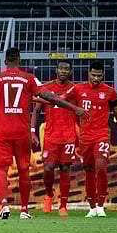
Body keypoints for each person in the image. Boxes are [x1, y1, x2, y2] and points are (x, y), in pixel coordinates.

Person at [0, 47, 87, 220]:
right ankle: (23, 210)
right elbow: (51, 97)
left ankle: (4, 205)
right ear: (19, 61)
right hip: (22, 131)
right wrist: (75, 108)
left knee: (0, 169)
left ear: (5, 62)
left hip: (2, 131)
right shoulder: (29, 79)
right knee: (23, 170)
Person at [63, 61, 117, 218]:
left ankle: (101, 205)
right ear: (88, 74)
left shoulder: (109, 92)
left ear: (103, 76)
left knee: (101, 166)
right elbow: (62, 99)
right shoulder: (78, 89)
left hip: (101, 135)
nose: (96, 78)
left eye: (99, 76)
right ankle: (92, 207)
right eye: (93, 75)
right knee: (88, 171)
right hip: (85, 137)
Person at [31, 60, 77, 217]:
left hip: (69, 136)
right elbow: (36, 110)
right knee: (48, 169)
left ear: (70, 72)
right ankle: (49, 194)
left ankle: (63, 205)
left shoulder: (74, 89)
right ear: (56, 70)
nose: (64, 71)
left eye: (67, 69)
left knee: (65, 169)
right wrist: (32, 130)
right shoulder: (47, 87)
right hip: (51, 136)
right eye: (61, 68)